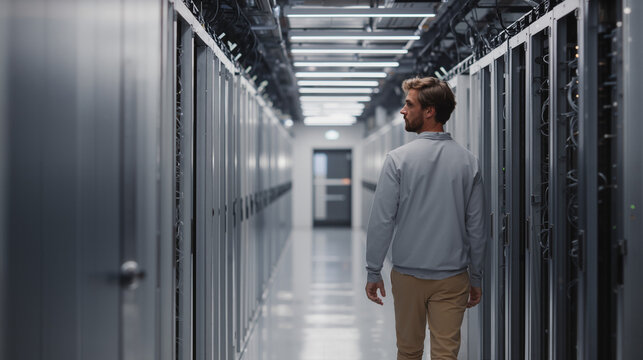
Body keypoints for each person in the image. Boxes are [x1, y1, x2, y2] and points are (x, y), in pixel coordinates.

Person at [364, 77, 487, 360]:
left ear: (430, 111)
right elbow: (478, 227)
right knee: (446, 354)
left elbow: (382, 220)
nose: (403, 111)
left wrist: (374, 270)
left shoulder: (398, 159)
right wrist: (476, 276)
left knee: (408, 352)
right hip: (453, 277)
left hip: (408, 275)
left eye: (409, 104)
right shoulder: (469, 162)